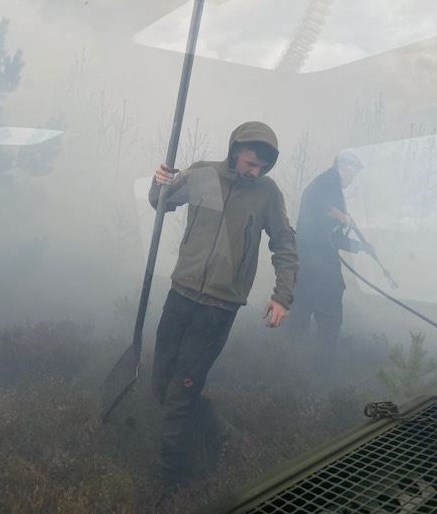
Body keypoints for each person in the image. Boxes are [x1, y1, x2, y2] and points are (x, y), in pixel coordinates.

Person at [148, 121, 298, 502]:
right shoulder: (204, 174)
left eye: (262, 167)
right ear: (235, 151)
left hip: (219, 308)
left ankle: (171, 484)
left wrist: (282, 296)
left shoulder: (267, 194)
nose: (254, 172)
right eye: (249, 163)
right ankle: (222, 434)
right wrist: (160, 181)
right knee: (163, 384)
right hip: (181, 294)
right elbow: (161, 203)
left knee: (180, 396)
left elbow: (284, 242)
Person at [287, 151, 373, 377]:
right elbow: (317, 202)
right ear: (344, 168)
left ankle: (285, 367)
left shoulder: (328, 186)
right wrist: (340, 215)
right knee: (329, 321)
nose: (352, 179)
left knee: (299, 316)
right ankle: (321, 376)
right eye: (353, 172)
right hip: (320, 268)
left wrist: (361, 247)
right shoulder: (328, 181)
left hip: (306, 264)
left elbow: (331, 236)